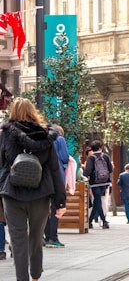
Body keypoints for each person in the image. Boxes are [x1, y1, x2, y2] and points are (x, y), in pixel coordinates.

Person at [0, 97, 67, 281]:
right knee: (36, 238)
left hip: (12, 194)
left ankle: (22, 279)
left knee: (18, 240)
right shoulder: (46, 136)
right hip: (40, 194)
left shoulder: (5, 134)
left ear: (13, 112)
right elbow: (54, 169)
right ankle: (36, 276)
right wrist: (60, 201)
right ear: (33, 112)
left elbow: (1, 164)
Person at [44, 124, 69, 248]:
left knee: (43, 208)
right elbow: (65, 158)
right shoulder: (60, 139)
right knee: (56, 207)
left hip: (42, 177)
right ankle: (53, 237)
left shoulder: (42, 139)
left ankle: (46, 236)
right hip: (56, 176)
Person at [84, 140, 113, 229]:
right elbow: (110, 169)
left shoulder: (91, 158)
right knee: (97, 200)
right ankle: (91, 221)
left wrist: (86, 176)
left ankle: (103, 221)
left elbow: (87, 171)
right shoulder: (106, 157)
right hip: (104, 181)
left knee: (97, 200)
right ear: (100, 147)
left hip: (94, 182)